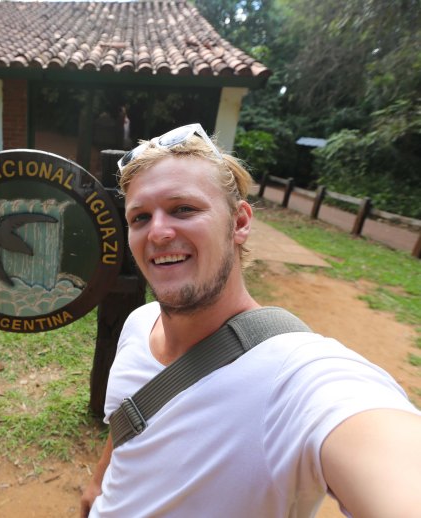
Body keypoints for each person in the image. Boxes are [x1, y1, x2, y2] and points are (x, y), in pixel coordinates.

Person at [80, 123, 421, 517]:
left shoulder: (299, 377)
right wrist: (98, 483)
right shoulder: (140, 322)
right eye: (139, 217)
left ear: (240, 222)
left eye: (183, 209)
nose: (157, 232)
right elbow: (130, 418)